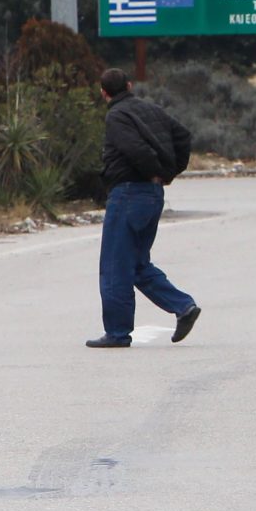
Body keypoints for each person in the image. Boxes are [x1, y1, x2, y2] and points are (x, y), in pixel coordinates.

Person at [87, 69, 199, 349]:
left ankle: (117, 332)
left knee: (115, 266)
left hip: (128, 194)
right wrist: (167, 174)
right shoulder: (152, 110)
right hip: (153, 195)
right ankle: (183, 306)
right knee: (137, 264)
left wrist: (154, 170)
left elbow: (135, 150)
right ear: (129, 85)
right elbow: (183, 136)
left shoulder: (116, 116)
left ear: (103, 93)